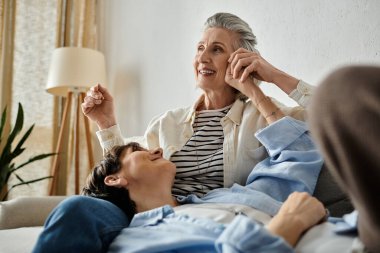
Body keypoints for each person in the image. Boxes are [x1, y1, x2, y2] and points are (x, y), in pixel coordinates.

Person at [82, 12, 315, 197]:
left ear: (239, 61)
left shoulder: (263, 114)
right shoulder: (167, 123)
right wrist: (106, 123)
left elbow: (333, 118)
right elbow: (123, 175)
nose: (203, 58)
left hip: (226, 219)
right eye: (200, 48)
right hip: (167, 220)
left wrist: (274, 75)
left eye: (217, 49)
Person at [33, 114, 324, 252]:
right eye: (139, 151)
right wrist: (287, 224)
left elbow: (300, 153)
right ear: (115, 179)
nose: (157, 149)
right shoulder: (137, 242)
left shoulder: (232, 197)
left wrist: (255, 90)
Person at [308, 65, 380, 253]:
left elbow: (324, 109)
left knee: (339, 90)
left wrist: (271, 80)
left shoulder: (260, 113)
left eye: (219, 49)